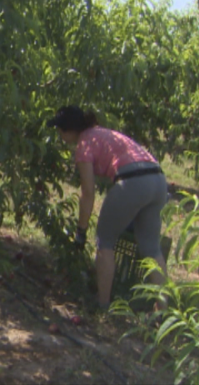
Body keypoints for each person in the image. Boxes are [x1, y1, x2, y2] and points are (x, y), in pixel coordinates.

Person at [47, 105, 168, 311]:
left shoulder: (84, 145)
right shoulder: (101, 133)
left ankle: (102, 305)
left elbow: (88, 193)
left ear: (68, 130)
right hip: (157, 179)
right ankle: (165, 310)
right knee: (151, 248)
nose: (59, 135)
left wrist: (81, 232)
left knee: (105, 241)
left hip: (133, 181)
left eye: (60, 130)